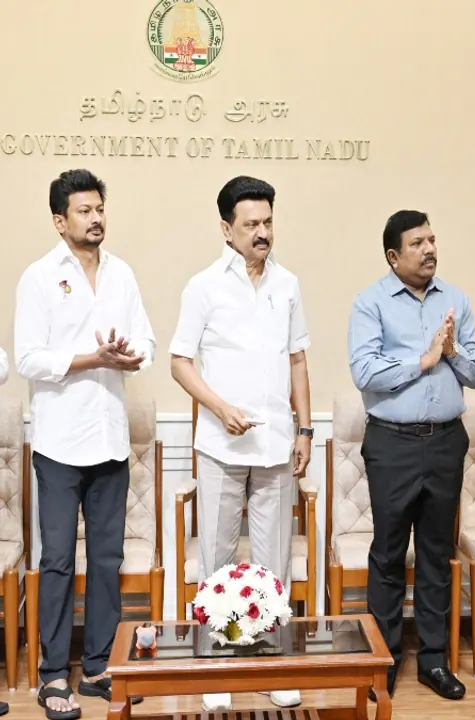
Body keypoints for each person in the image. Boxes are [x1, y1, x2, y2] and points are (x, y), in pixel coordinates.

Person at [169, 176, 311, 712]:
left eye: (268, 222)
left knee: (272, 564)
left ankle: (271, 664)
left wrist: (304, 429)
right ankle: (216, 668)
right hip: (221, 449)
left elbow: (298, 358)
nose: (262, 232)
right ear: (226, 229)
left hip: (276, 447)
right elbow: (180, 362)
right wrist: (220, 407)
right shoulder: (203, 286)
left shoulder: (288, 284)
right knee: (220, 563)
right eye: (251, 224)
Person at [16, 169, 153, 720]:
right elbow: (28, 357)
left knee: (107, 559)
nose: (96, 218)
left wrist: (127, 353)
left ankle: (96, 667)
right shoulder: (39, 277)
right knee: (55, 561)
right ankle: (53, 675)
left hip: (110, 439)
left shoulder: (121, 274)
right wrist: (91, 358)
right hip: (58, 442)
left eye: (100, 208)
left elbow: (144, 338)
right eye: (84, 210)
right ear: (59, 220)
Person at [348, 209, 475, 701]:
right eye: (417, 243)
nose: (429, 249)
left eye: (432, 239)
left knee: (435, 552)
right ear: (393, 255)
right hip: (393, 444)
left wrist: (450, 353)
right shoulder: (371, 303)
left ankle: (433, 661)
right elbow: (365, 371)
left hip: (447, 439)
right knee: (388, 553)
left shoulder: (456, 299)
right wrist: (423, 360)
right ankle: (382, 658)